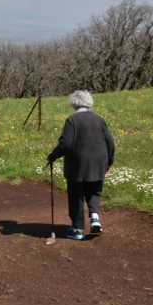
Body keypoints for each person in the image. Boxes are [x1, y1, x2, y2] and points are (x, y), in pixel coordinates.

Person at [47, 90, 115, 240]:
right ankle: (95, 217)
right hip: (99, 163)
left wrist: (53, 156)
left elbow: (65, 143)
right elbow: (110, 142)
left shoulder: (72, 120)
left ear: (74, 103)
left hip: (77, 165)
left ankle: (77, 229)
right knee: (94, 192)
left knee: (76, 195)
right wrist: (108, 163)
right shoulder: (100, 119)